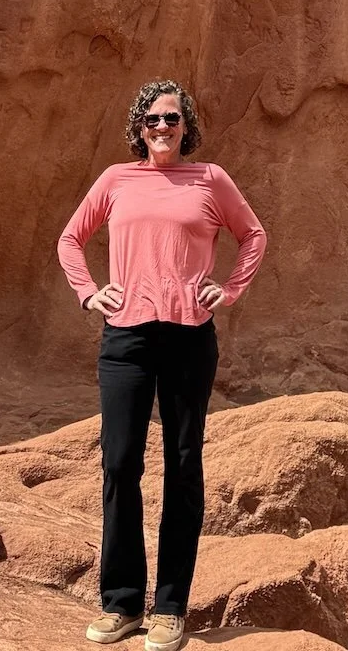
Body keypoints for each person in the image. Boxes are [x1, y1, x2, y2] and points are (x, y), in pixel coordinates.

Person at [58, 79, 267, 651]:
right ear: (138, 128)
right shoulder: (115, 180)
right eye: (151, 120)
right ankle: (121, 604)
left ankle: (171, 607)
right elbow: (70, 239)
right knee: (120, 462)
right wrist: (88, 291)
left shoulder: (210, 180)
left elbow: (253, 235)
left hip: (188, 337)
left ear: (186, 126)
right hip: (125, 338)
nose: (162, 129)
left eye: (172, 119)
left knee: (183, 464)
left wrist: (230, 290)